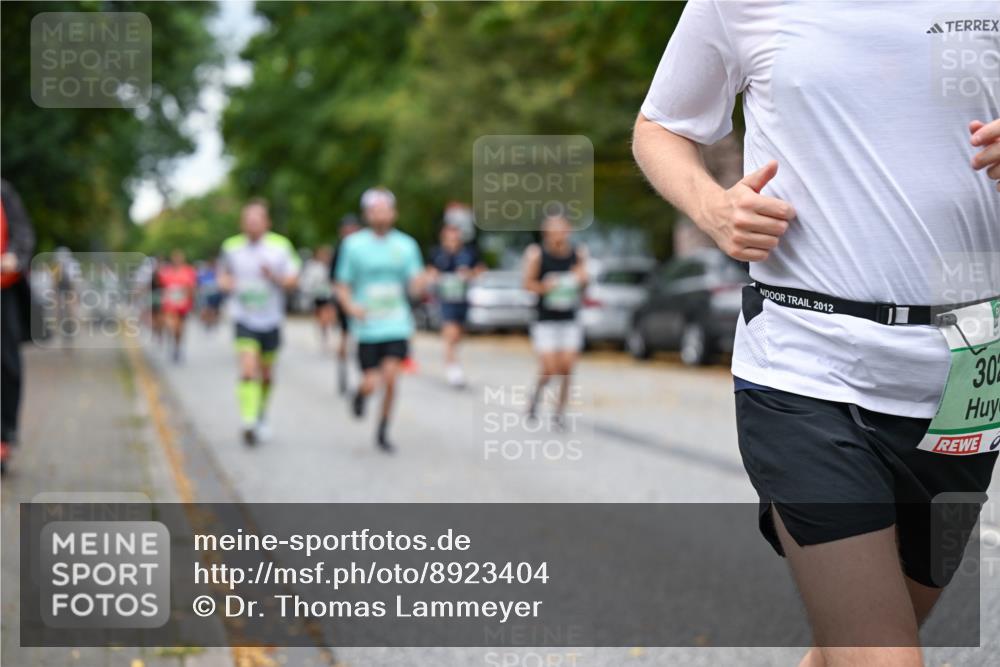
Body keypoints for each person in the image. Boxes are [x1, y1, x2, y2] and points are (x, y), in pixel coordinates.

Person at [632, 2, 1000, 664]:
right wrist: (715, 211)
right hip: (805, 363)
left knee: (848, 646)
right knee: (883, 655)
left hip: (967, 372)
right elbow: (661, 126)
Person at [335, 188, 424, 452]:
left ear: (394, 213)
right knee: (371, 381)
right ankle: (361, 394)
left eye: (386, 209)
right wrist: (350, 306)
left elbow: (415, 284)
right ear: (367, 214)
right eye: (376, 209)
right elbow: (341, 283)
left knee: (392, 379)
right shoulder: (353, 245)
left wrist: (422, 283)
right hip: (367, 326)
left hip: (397, 323)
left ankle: (383, 429)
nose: (381, 214)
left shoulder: (406, 245)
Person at [218, 199, 301, 445]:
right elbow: (223, 274)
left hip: (271, 319)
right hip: (243, 317)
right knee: (247, 369)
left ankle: (260, 412)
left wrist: (274, 277)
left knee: (266, 376)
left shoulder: (280, 246)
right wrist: (226, 283)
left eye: (257, 220)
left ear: (267, 223)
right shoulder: (231, 247)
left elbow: (293, 280)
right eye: (248, 221)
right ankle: (248, 421)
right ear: (242, 223)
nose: (252, 225)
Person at [521, 213, 588, 429]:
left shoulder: (578, 254)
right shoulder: (536, 254)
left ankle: (559, 413)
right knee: (550, 369)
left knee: (567, 368)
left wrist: (582, 280)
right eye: (552, 229)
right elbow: (527, 284)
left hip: (569, 318)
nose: (557, 233)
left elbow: (584, 285)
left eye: (561, 228)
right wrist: (544, 288)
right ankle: (535, 397)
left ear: (568, 230)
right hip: (546, 320)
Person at [0, 179, 35, 474]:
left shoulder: (4, 192)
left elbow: (22, 232)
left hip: (4, 291)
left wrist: (14, 255)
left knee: (7, 364)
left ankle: (4, 434)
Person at [426, 220, 485, 387]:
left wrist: (470, 274)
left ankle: (453, 360)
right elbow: (429, 271)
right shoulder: (437, 253)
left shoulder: (468, 253)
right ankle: (452, 367)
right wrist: (435, 276)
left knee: (458, 334)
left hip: (462, 299)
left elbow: (480, 270)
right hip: (445, 300)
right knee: (450, 333)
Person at [330, 214, 362, 394]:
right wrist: (342, 299)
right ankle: (342, 369)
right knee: (345, 335)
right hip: (345, 298)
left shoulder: (363, 248)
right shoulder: (340, 250)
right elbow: (334, 279)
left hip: (362, 298)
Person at [156, 249, 197, 363]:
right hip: (170, 304)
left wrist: (192, 301)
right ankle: (172, 342)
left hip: (183, 304)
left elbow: (192, 287)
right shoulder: (166, 271)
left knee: (180, 329)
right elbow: (161, 286)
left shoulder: (188, 270)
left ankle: (177, 347)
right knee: (171, 325)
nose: (177, 260)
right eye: (175, 258)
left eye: (180, 258)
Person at [300, 245, 335, 349]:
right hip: (318, 295)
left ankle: (327, 330)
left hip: (328, 294)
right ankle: (324, 332)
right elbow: (307, 282)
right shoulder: (312, 266)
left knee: (329, 314)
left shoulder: (330, 266)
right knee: (322, 315)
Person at [197, 258, 223, 330]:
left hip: (215, 294)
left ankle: (213, 321)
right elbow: (199, 282)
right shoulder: (203, 272)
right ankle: (208, 322)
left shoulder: (217, 272)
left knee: (214, 309)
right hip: (206, 294)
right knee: (207, 309)